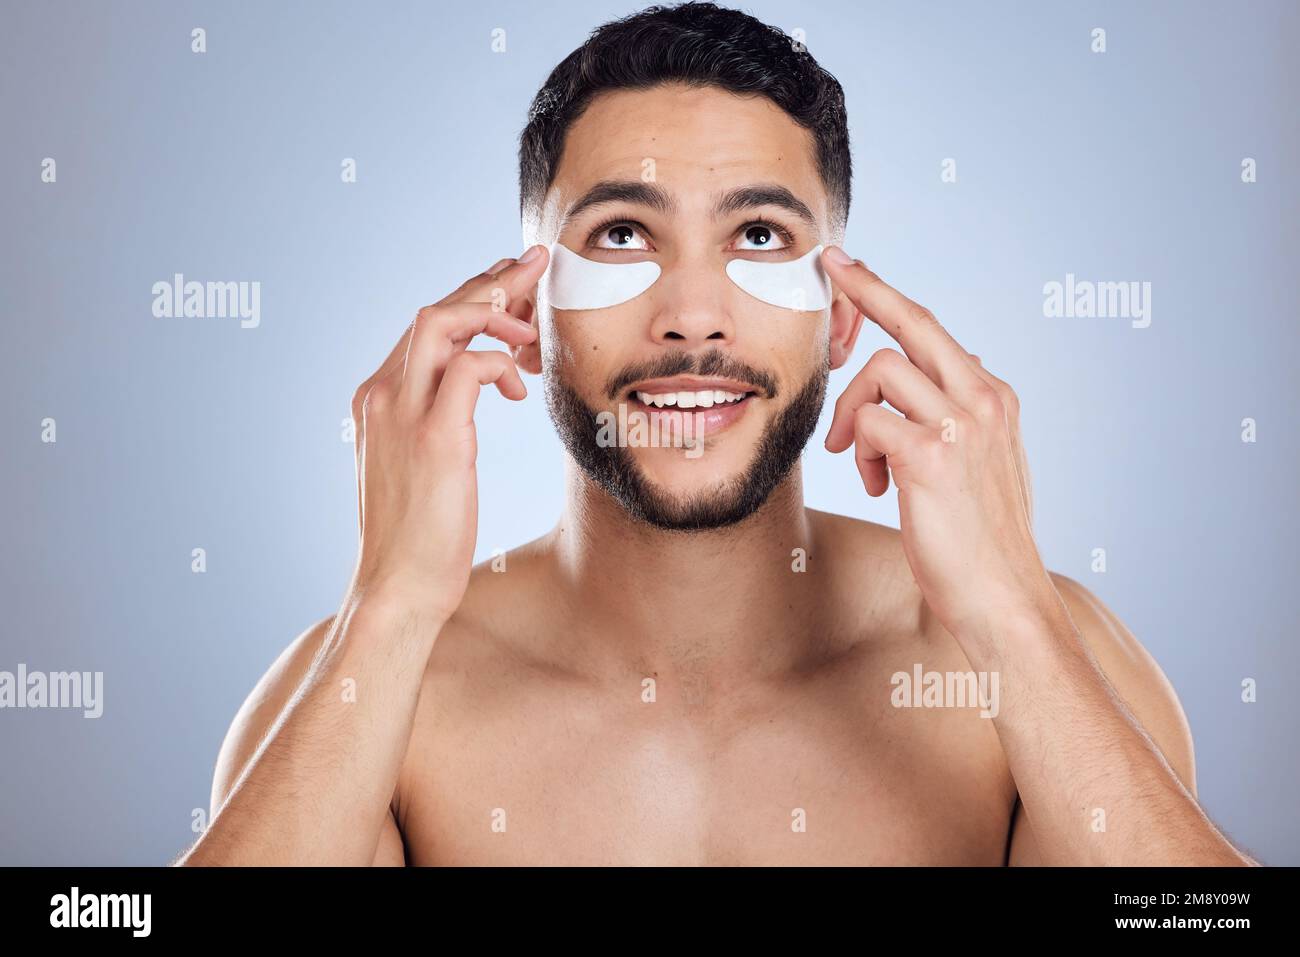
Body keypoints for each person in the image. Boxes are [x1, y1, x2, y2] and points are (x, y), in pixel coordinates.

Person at [177, 2, 1254, 866]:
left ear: (839, 318)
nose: (693, 314)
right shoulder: (372, 694)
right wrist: (390, 603)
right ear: (527, 314)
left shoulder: (1034, 665)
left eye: (757, 233)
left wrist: (1016, 621)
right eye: (622, 233)